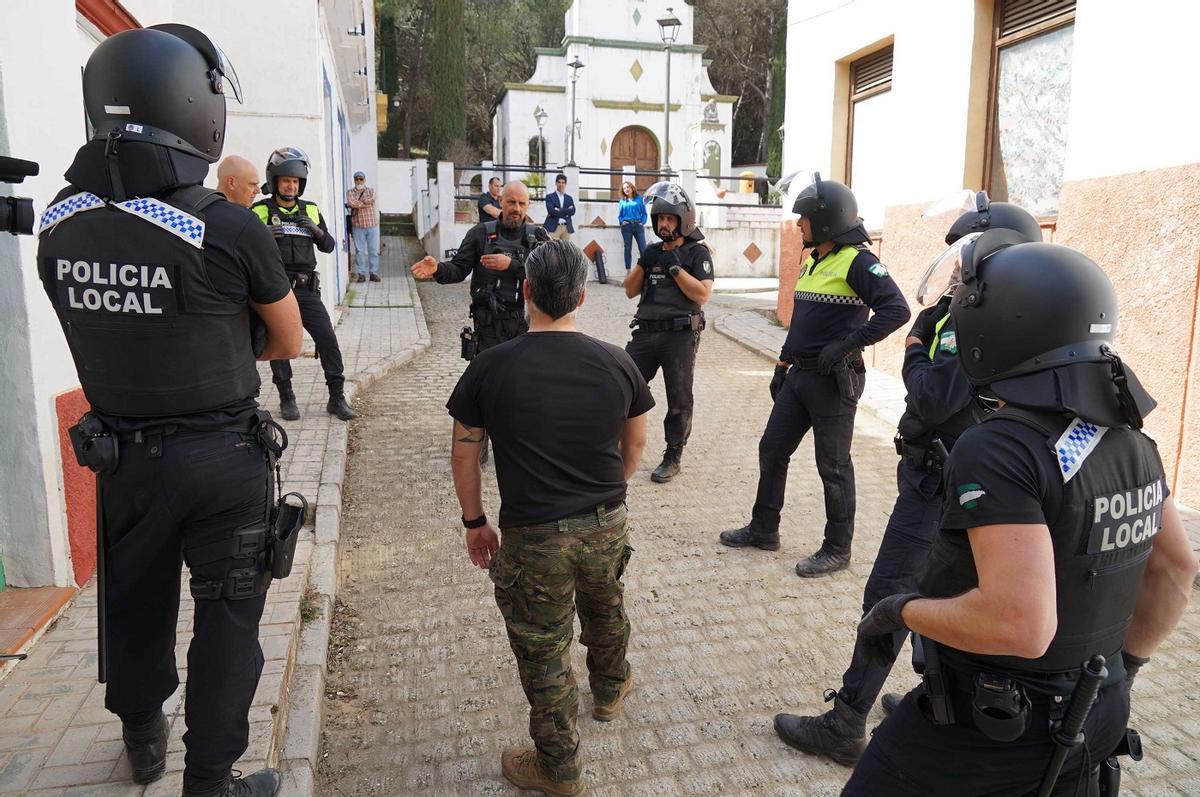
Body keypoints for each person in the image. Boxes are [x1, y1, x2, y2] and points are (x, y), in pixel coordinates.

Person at [35, 24, 302, 797]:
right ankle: (210, 780)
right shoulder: (226, 225)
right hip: (221, 460)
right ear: (195, 107)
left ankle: (142, 737)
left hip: (119, 457)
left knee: (135, 598)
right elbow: (286, 339)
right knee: (226, 623)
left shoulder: (57, 222)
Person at [843, 238, 1198, 796]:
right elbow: (1177, 570)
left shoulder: (999, 447)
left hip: (993, 727)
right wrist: (1123, 668)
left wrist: (902, 609)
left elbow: (1019, 625)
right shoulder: (1134, 439)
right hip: (1095, 715)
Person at [773, 196, 1044, 765]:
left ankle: (848, 719)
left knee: (890, 595)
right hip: (963, 476)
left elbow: (930, 392)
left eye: (963, 260)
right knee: (950, 594)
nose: (953, 270)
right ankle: (939, 698)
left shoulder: (972, 320)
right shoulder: (1002, 316)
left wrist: (918, 342)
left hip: (939, 480)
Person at [446, 240, 653, 796]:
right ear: (582, 296)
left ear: (527, 292)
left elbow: (465, 450)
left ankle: (559, 769)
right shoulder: (618, 361)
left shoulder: (490, 367)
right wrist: (606, 498)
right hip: (607, 519)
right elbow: (634, 447)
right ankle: (610, 689)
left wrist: (475, 522)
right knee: (606, 604)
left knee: (543, 649)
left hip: (534, 537)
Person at [720, 175, 910, 576]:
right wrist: (782, 363)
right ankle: (763, 528)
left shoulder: (860, 261)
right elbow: (802, 320)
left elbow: (897, 310)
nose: (799, 224)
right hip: (800, 377)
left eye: (804, 218)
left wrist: (848, 344)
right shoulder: (815, 260)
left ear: (826, 220)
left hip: (834, 381)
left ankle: (838, 548)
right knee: (772, 449)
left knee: (834, 466)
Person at [251, 146, 357, 422]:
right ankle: (287, 398)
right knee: (281, 344)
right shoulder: (261, 210)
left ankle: (337, 397)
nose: (291, 185)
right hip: (277, 289)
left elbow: (329, 246)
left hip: (306, 288)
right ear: (275, 181)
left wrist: (316, 230)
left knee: (328, 340)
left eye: (296, 181)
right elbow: (245, 247)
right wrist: (262, 234)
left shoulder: (309, 209)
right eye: (286, 180)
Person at [622, 182, 714, 483]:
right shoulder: (651, 252)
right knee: (622, 383)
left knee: (679, 398)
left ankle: (673, 455)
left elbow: (702, 294)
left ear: (683, 220)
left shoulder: (697, 252)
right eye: (660, 218)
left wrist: (676, 270)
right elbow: (629, 291)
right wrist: (642, 265)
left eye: (669, 219)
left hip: (680, 337)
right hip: (646, 334)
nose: (663, 224)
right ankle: (609, 445)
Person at [411, 180, 549, 356]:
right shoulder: (480, 234)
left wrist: (511, 265)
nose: (517, 208)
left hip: (525, 324)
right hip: (487, 326)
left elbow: (548, 275)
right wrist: (437, 268)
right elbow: (459, 269)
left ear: (528, 205)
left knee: (519, 379)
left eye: (522, 203)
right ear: (500, 201)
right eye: (511, 202)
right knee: (489, 379)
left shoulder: (537, 237)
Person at [346, 170, 380, 283]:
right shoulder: (350, 192)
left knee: (373, 250)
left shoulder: (371, 190)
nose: (359, 181)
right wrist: (365, 203)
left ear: (364, 180)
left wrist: (360, 203)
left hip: (372, 225)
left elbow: (372, 199)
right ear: (354, 180)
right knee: (359, 251)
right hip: (358, 225)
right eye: (357, 179)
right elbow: (352, 203)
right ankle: (361, 274)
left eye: (361, 179)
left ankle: (373, 273)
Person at [617, 180, 648, 272]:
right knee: (627, 248)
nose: (626, 189)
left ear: (632, 188)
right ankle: (628, 271)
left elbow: (644, 214)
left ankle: (644, 269)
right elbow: (620, 215)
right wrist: (622, 222)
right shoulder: (622, 201)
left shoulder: (639, 199)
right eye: (624, 188)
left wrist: (642, 222)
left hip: (638, 226)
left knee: (643, 248)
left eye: (628, 187)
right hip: (627, 227)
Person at [544, 173, 575, 241]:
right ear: (556, 183)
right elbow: (551, 211)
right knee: (553, 249)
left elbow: (572, 212)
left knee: (565, 250)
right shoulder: (550, 197)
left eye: (563, 183)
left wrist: (559, 209)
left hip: (566, 228)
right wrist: (566, 212)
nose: (561, 184)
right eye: (559, 182)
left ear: (565, 184)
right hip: (554, 227)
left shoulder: (569, 198)